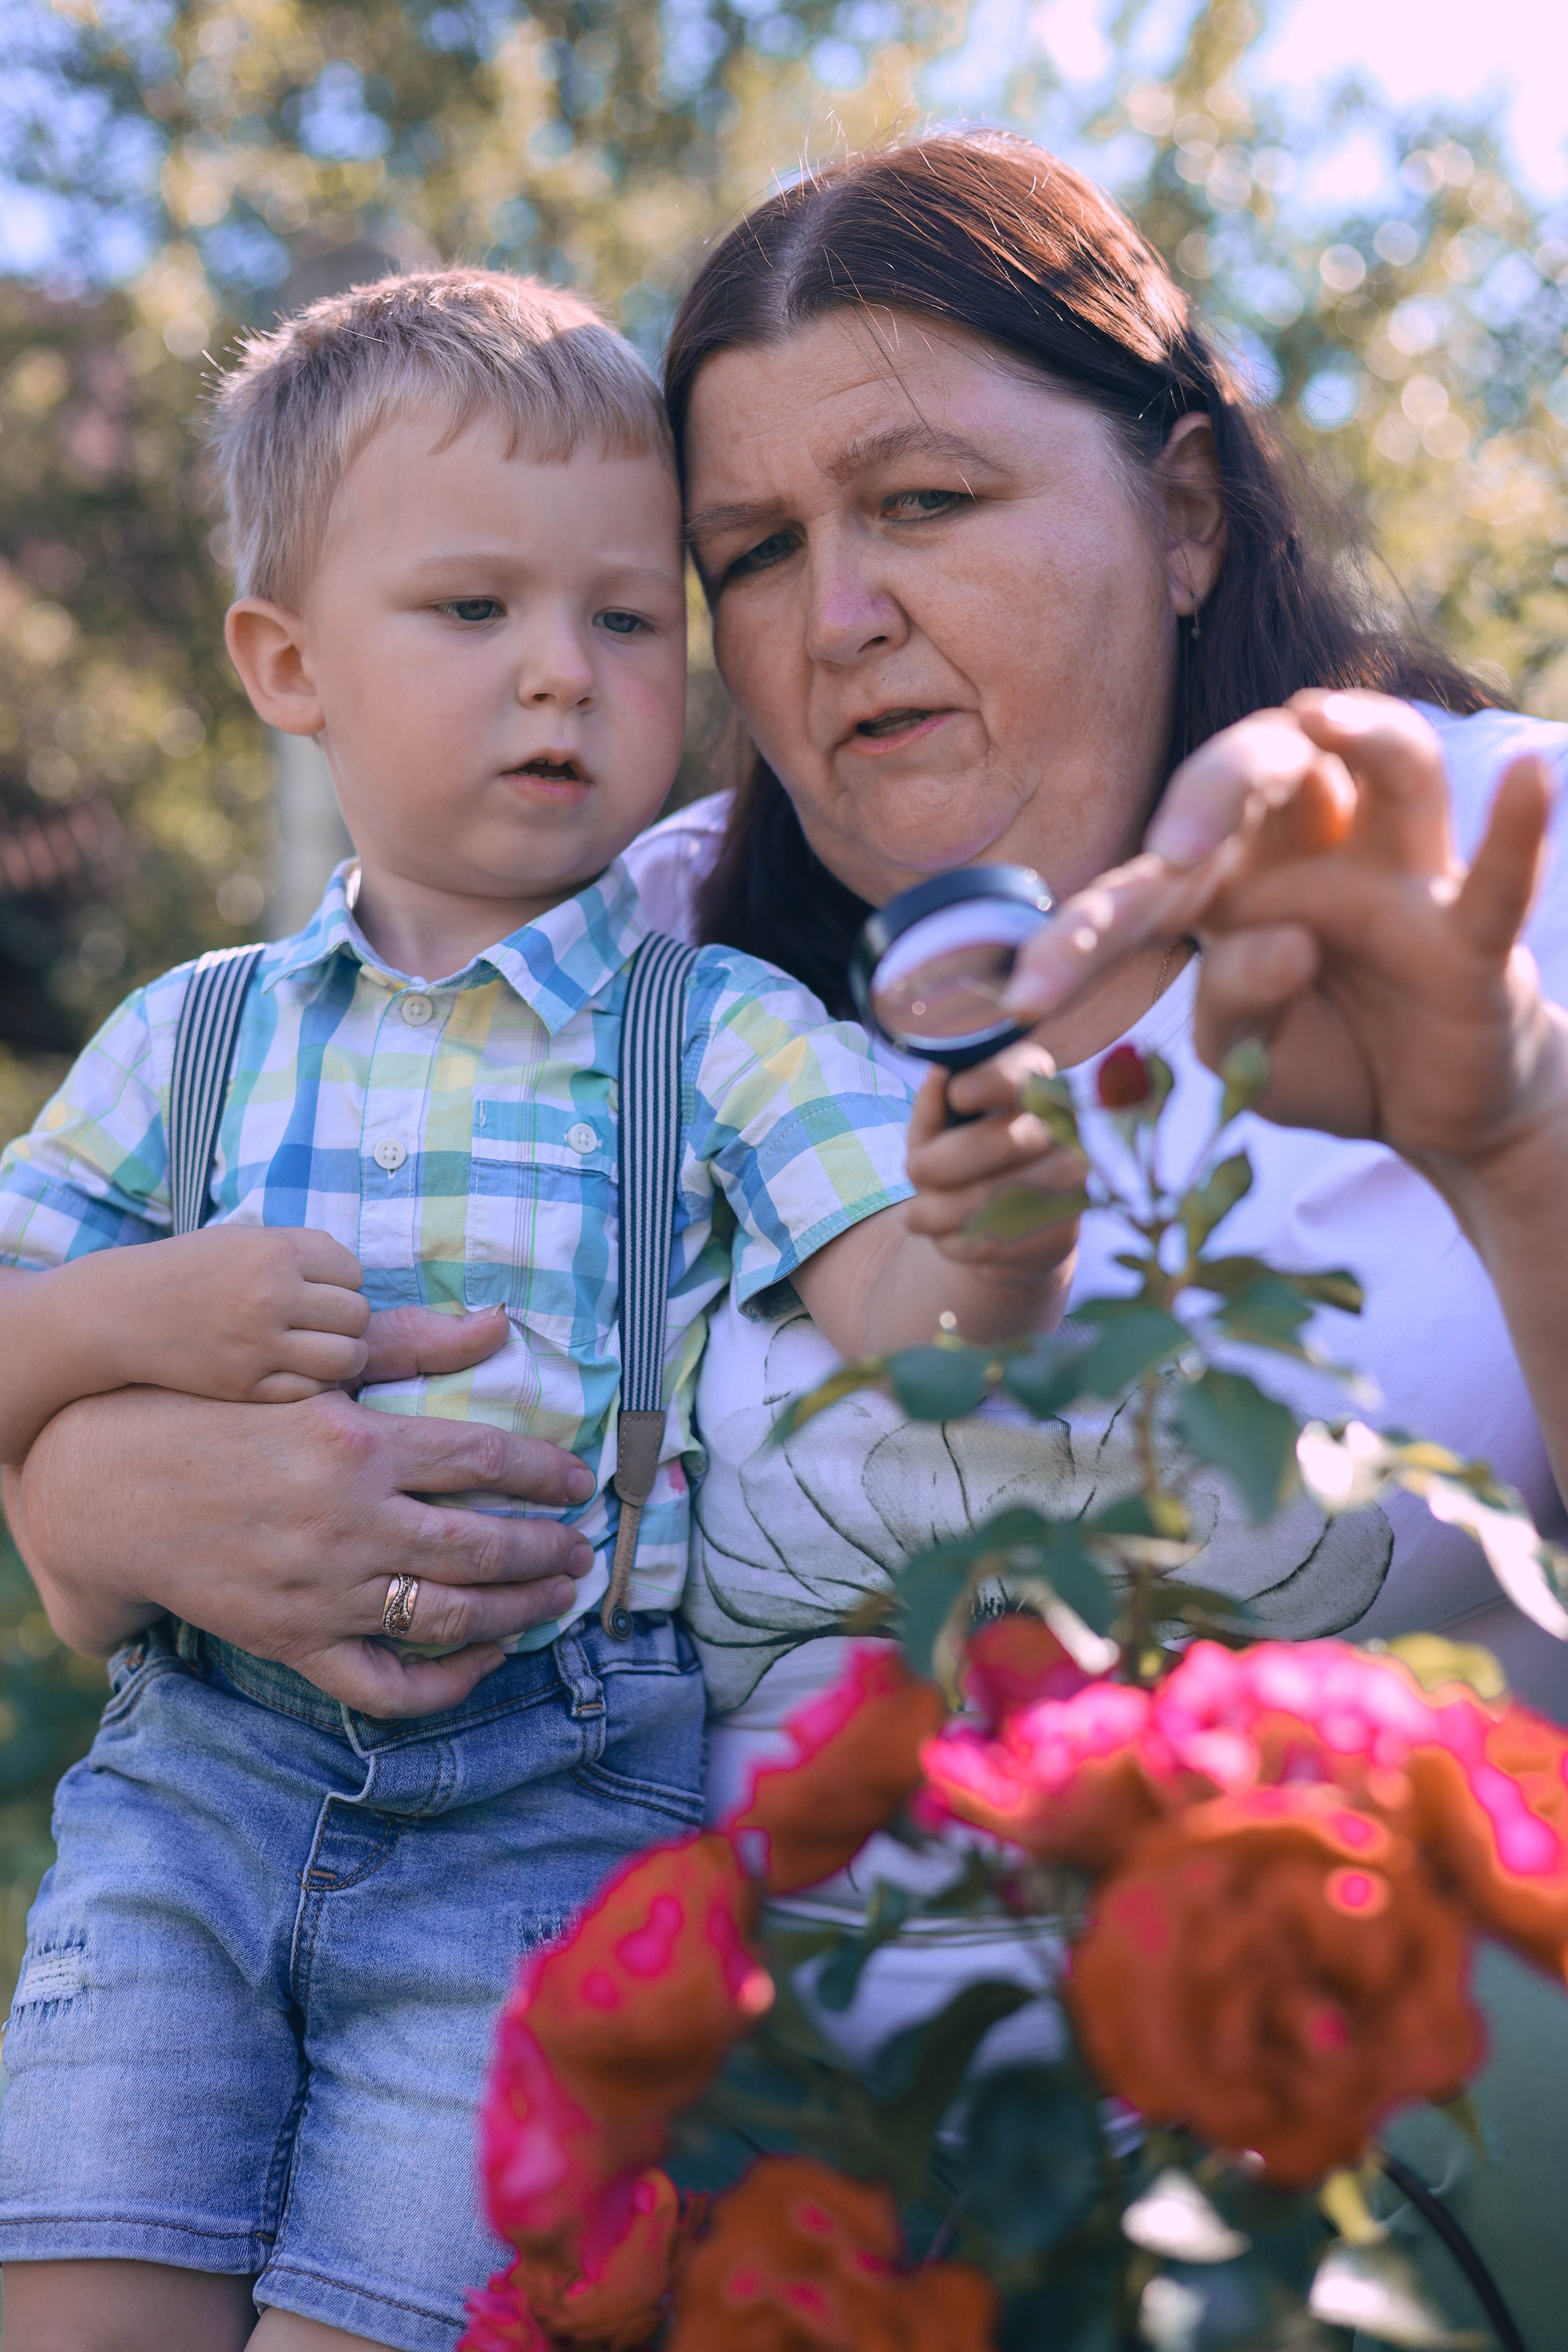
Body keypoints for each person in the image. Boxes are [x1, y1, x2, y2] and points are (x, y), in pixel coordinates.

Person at [8, 126, 1568, 2341]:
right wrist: (104, 1484)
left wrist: (1506, 1131)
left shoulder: (1504, 855)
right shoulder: (630, 947)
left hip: (1378, 2213)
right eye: (748, 551)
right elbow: (99, 1467)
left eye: (923, 501)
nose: (836, 619)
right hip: (744, 2238)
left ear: (1188, 511)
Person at [0, 265, 1082, 2352]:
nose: (562, 676)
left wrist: (1002, 1221)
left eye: (624, 619)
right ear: (288, 663)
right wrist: (139, 1317)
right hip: (189, 1801)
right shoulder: (194, 1035)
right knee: (82, 2297)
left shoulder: (720, 1029)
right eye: (474, 609)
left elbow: (915, 1307)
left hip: (548, 1828)